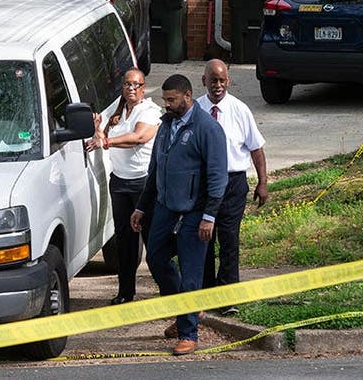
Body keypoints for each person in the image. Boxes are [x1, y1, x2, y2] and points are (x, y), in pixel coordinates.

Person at [130, 74, 227, 356]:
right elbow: (155, 170)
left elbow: (218, 176)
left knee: (191, 272)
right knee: (156, 257)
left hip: (196, 211)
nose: (167, 105)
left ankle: (188, 332)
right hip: (165, 205)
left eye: (172, 100)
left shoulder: (207, 129)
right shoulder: (166, 125)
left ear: (188, 96)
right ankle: (183, 309)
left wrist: (209, 216)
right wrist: (141, 207)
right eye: (164, 100)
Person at [196, 59, 268, 315]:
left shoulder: (240, 110)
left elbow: (256, 148)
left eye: (222, 80)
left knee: (229, 239)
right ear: (204, 81)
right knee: (203, 239)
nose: (218, 85)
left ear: (228, 81)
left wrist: (262, 183)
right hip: (204, 184)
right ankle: (205, 295)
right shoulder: (195, 110)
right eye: (213, 80)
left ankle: (228, 298)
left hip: (232, 184)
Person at [88, 68, 162, 305]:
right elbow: (100, 129)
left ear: (144, 88)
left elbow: (138, 137)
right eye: (127, 84)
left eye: (136, 85)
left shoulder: (149, 110)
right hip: (119, 181)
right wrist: (98, 129)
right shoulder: (117, 109)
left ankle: (167, 289)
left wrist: (106, 141)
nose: (131, 89)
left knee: (152, 240)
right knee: (124, 241)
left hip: (143, 182)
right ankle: (125, 292)